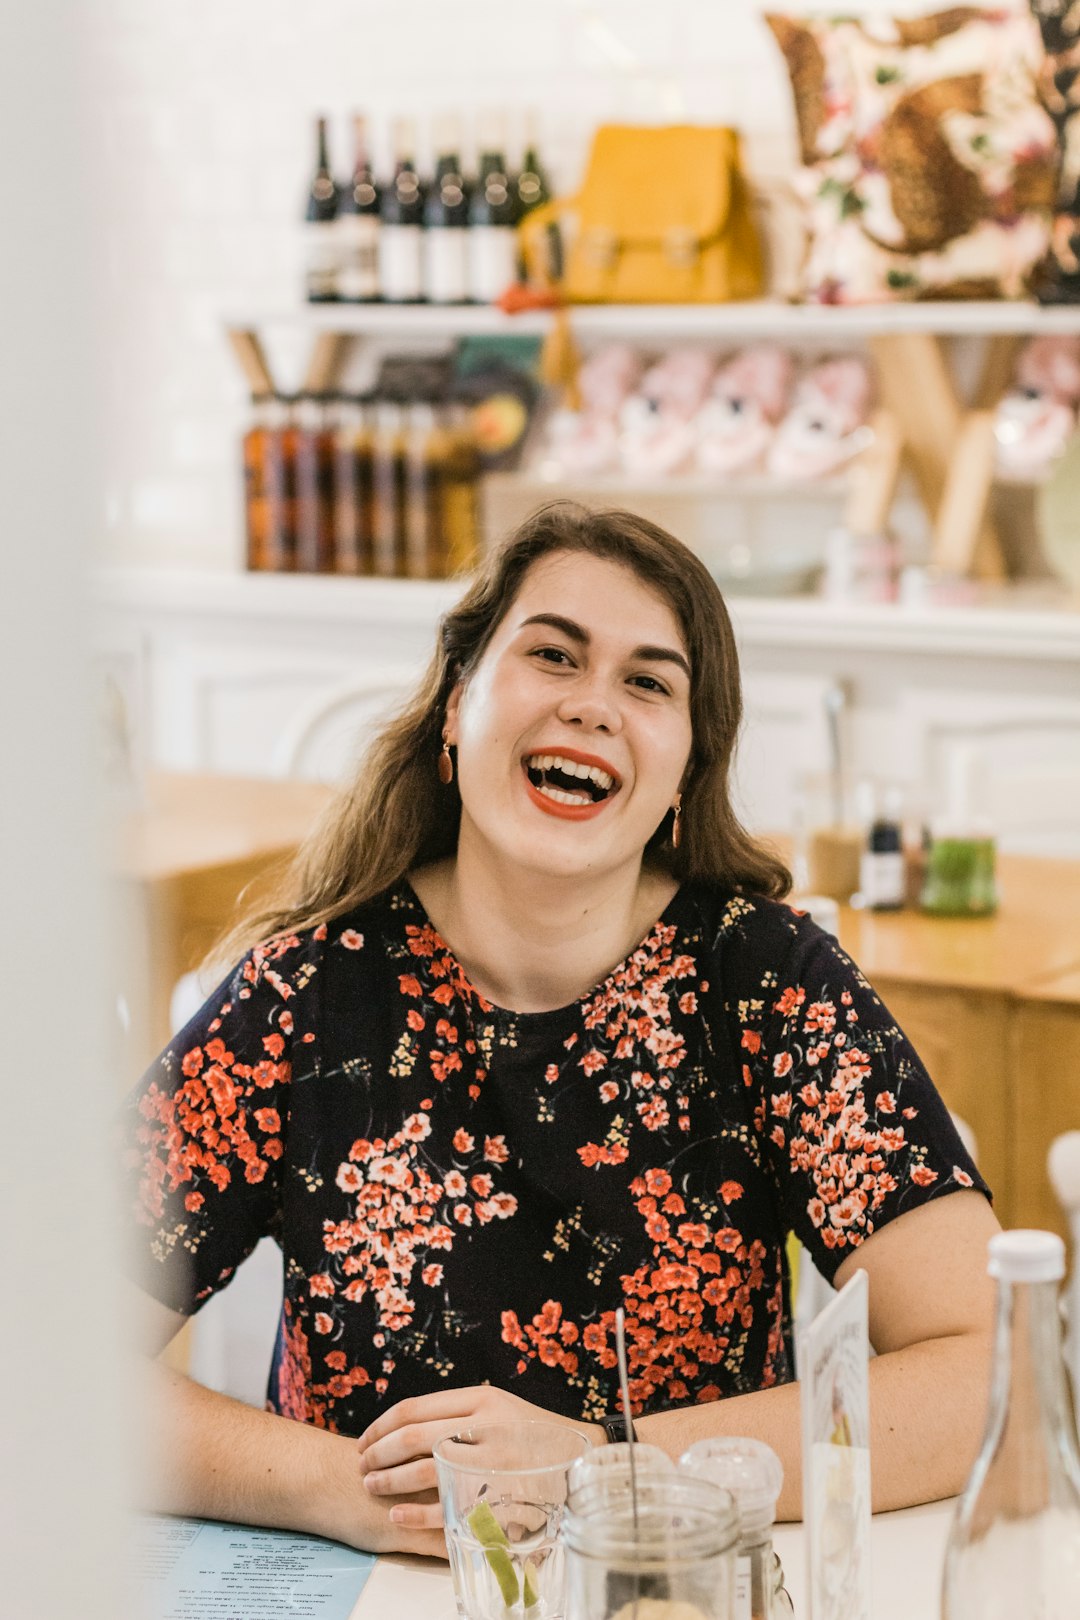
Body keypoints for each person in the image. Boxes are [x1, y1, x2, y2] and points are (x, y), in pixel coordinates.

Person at [124, 502, 998, 1557]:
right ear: (456, 705)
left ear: (685, 771)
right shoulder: (302, 1000)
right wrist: (338, 1489)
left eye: (648, 682)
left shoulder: (768, 986)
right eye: (552, 655)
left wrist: (599, 1473)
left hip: (672, 1587)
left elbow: (987, 1365)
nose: (593, 706)